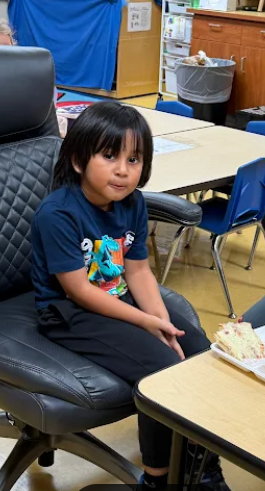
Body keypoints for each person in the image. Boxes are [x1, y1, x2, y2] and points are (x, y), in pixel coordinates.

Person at [31, 101, 231, 491]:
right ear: (77, 160)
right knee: (160, 372)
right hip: (69, 312)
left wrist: (165, 324)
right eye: (109, 156)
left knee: (199, 352)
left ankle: (203, 470)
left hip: (117, 300)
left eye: (134, 159)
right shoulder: (58, 214)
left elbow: (138, 270)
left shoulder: (133, 203)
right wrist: (145, 321)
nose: (123, 170)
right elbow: (79, 290)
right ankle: (157, 479)